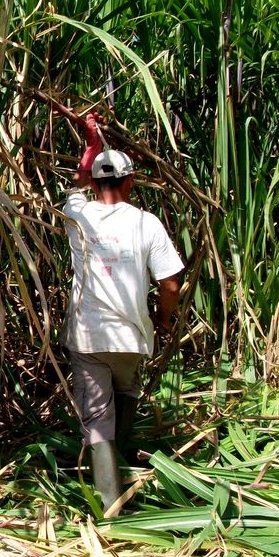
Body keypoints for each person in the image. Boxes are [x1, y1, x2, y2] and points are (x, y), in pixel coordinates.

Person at [63, 112, 184, 514]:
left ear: (96, 183)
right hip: (132, 338)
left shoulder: (77, 214)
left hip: (89, 337)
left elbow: (77, 183)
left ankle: (110, 501)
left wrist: (90, 140)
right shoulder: (147, 223)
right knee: (124, 395)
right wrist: (164, 320)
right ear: (131, 181)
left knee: (97, 419)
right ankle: (124, 471)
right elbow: (170, 283)